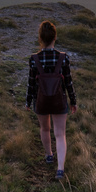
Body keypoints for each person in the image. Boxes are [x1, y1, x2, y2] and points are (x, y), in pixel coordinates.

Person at [25, 20, 77, 178]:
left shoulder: (34, 59)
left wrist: (28, 101)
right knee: (60, 134)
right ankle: (60, 168)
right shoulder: (63, 58)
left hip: (41, 100)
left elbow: (31, 83)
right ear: (55, 37)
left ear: (40, 38)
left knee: (45, 129)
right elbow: (68, 82)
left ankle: (49, 155)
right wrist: (73, 101)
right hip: (59, 100)